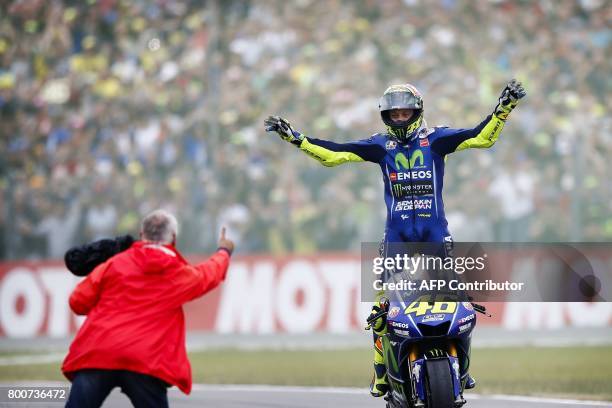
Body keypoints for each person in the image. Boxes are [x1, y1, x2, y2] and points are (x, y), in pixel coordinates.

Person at [264, 79, 526, 397]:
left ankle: (464, 369)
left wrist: (504, 108)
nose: (400, 119)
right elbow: (335, 155)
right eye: (394, 114)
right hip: (397, 238)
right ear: (386, 117)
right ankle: (381, 373)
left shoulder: (437, 139)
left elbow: (481, 138)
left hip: (435, 236)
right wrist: (297, 140)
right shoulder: (379, 145)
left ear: (417, 112)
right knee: (382, 309)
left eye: (405, 113)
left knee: (459, 302)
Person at [62, 209, 234, 408]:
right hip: (145, 360)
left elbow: (78, 301)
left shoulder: (114, 263)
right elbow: (208, 275)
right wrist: (224, 252)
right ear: (173, 238)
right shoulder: (176, 273)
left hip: (98, 352)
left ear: (141, 234)